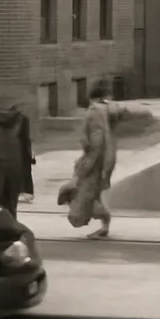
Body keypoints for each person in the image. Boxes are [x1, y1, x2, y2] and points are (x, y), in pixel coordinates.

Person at [59, 81, 136, 239]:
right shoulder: (107, 110)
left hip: (96, 158)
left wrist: (86, 164)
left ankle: (98, 221)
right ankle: (103, 225)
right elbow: (126, 113)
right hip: (107, 157)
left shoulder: (94, 112)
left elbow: (96, 140)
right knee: (95, 192)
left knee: (87, 192)